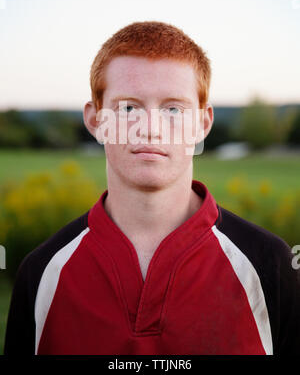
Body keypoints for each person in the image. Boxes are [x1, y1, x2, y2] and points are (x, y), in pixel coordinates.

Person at [4, 21, 300, 355]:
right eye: (128, 107)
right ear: (95, 121)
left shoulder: (270, 265)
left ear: (203, 123)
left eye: (173, 108)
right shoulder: (41, 272)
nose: (151, 130)